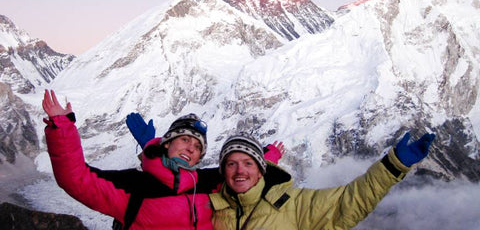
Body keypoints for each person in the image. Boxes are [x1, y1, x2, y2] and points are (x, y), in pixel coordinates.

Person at [42, 90, 283, 230]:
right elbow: (77, 179)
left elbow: (243, 175)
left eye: (198, 146)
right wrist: (62, 127)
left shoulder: (208, 182)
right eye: (185, 140)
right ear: (167, 143)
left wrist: (268, 156)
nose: (191, 148)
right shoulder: (134, 188)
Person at [209, 132, 435, 230]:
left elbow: (348, 202)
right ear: (223, 170)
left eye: (248, 163)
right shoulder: (208, 207)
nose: (240, 171)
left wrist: (392, 166)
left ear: (261, 170)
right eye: (232, 164)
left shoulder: (293, 205)